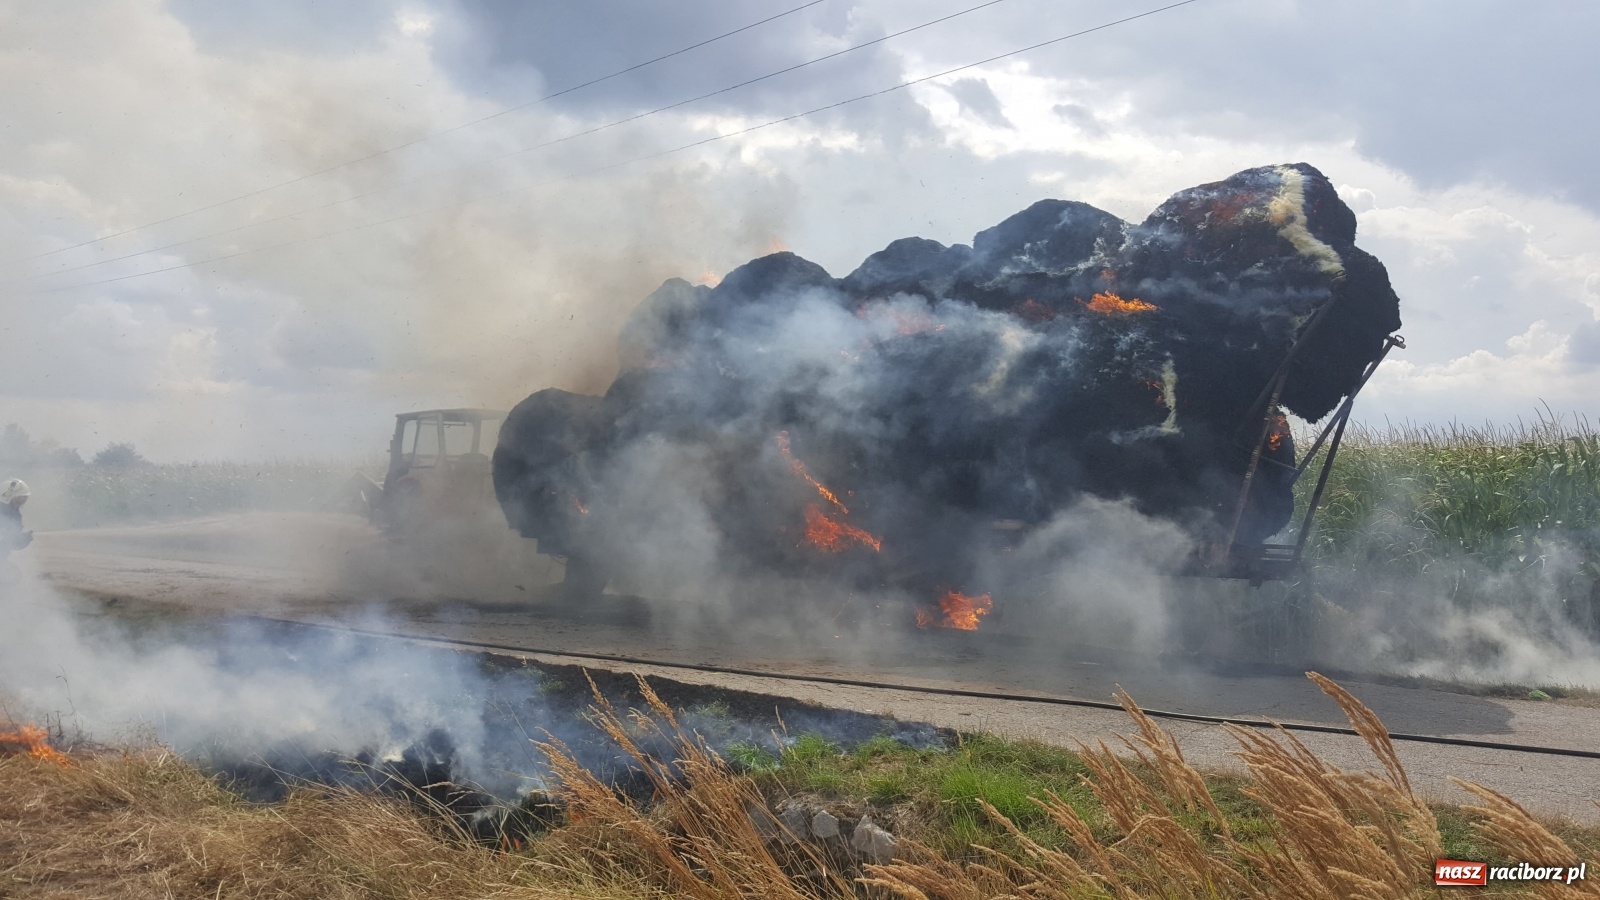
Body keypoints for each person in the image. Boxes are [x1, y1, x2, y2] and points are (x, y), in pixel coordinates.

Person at [1, 478, 31, 557]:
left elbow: (10, 543)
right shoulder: (6, 514)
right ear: (7, 497)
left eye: (24, 499)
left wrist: (21, 539)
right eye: (19, 499)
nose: (22, 502)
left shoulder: (14, 515)